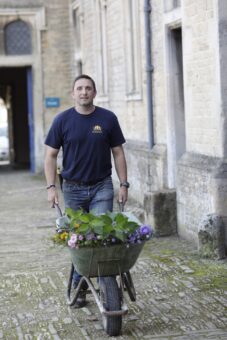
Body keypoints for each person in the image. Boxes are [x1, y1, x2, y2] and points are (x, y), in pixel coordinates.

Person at [44, 74, 130, 307]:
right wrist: (51, 187)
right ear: (73, 93)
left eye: (88, 88)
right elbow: (50, 155)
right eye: (79, 88)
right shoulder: (62, 121)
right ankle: (79, 284)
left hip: (102, 186)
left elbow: (118, 153)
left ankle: (106, 283)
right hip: (72, 189)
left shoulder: (108, 119)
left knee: (101, 236)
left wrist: (123, 184)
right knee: (79, 239)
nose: (84, 92)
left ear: (94, 92)